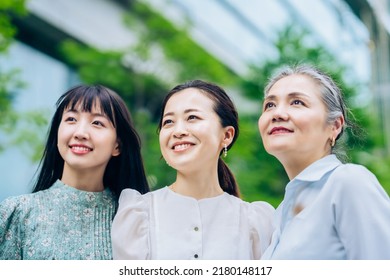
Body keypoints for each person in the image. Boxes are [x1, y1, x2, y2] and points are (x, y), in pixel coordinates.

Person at [111, 79, 274, 260]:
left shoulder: (256, 223)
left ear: (227, 135)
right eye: (168, 122)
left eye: (192, 117)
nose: (178, 131)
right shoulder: (138, 214)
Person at [0, 84, 149, 259]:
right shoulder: (18, 212)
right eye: (71, 119)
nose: (80, 133)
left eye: (97, 123)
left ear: (117, 145)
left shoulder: (136, 220)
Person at [258, 64, 390, 259]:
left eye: (297, 102)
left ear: (335, 126)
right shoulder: (280, 214)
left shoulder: (348, 182)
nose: (277, 113)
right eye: (270, 105)